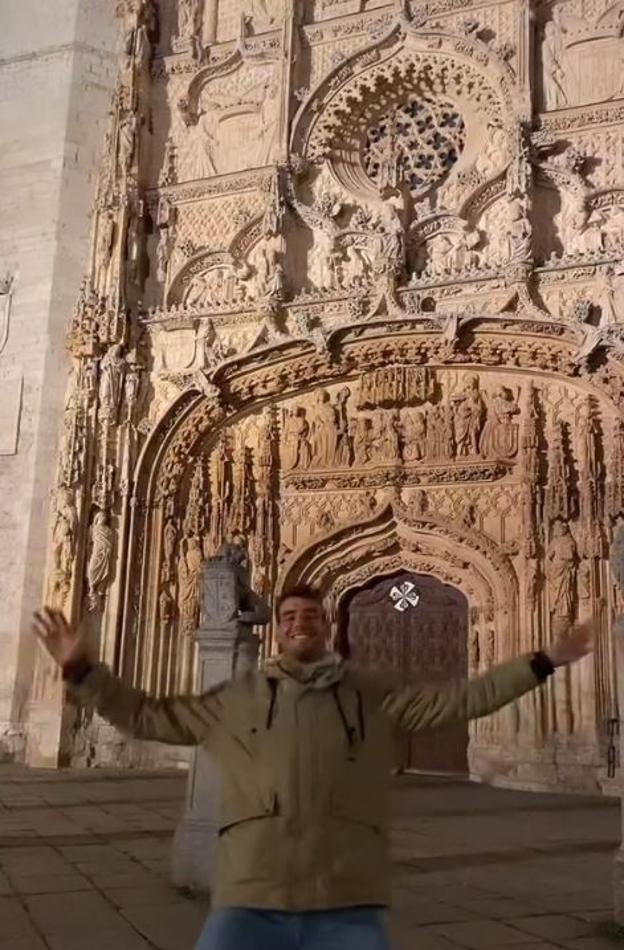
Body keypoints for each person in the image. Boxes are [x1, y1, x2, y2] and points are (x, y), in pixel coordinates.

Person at [33, 585, 596, 950]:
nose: (301, 623)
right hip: (251, 894)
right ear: (277, 630)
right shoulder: (239, 699)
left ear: (327, 627)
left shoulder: (370, 696)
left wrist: (544, 661)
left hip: (344, 897)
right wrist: (82, 670)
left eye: (311, 616)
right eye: (290, 617)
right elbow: (147, 716)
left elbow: (460, 702)